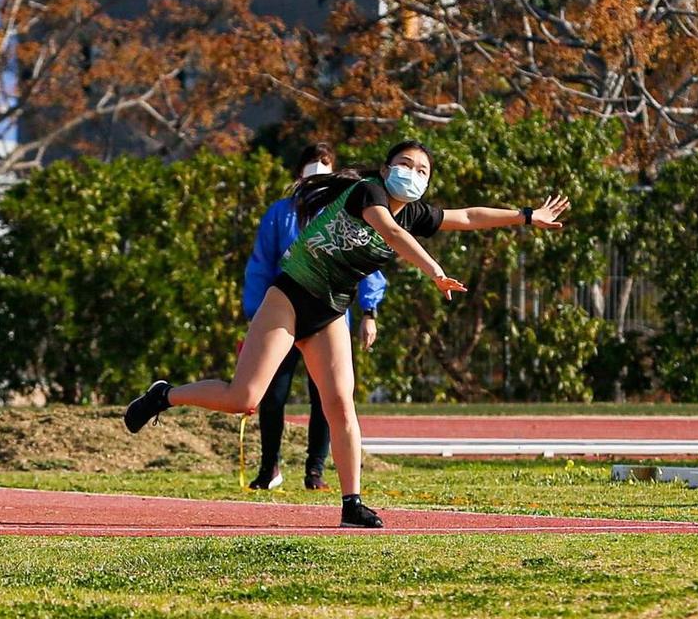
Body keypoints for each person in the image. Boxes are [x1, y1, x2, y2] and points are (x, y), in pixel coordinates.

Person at [124, 139, 569, 528]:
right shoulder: (367, 192)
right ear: (386, 167)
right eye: (406, 164)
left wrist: (527, 216)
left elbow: (469, 216)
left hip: (331, 311)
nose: (412, 174)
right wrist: (435, 270)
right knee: (245, 399)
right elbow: (390, 232)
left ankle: (351, 503)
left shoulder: (416, 214)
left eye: (422, 171)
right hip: (291, 295)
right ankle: (165, 396)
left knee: (340, 404)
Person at [240, 141, 386, 492]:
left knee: (329, 396)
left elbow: (366, 265)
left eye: (325, 162)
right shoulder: (280, 213)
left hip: (328, 317)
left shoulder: (346, 210)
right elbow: (261, 265)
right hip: (284, 314)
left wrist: (369, 310)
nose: (318, 168)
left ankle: (315, 470)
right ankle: (269, 465)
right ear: (298, 171)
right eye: (312, 162)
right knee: (271, 393)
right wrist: (253, 313)